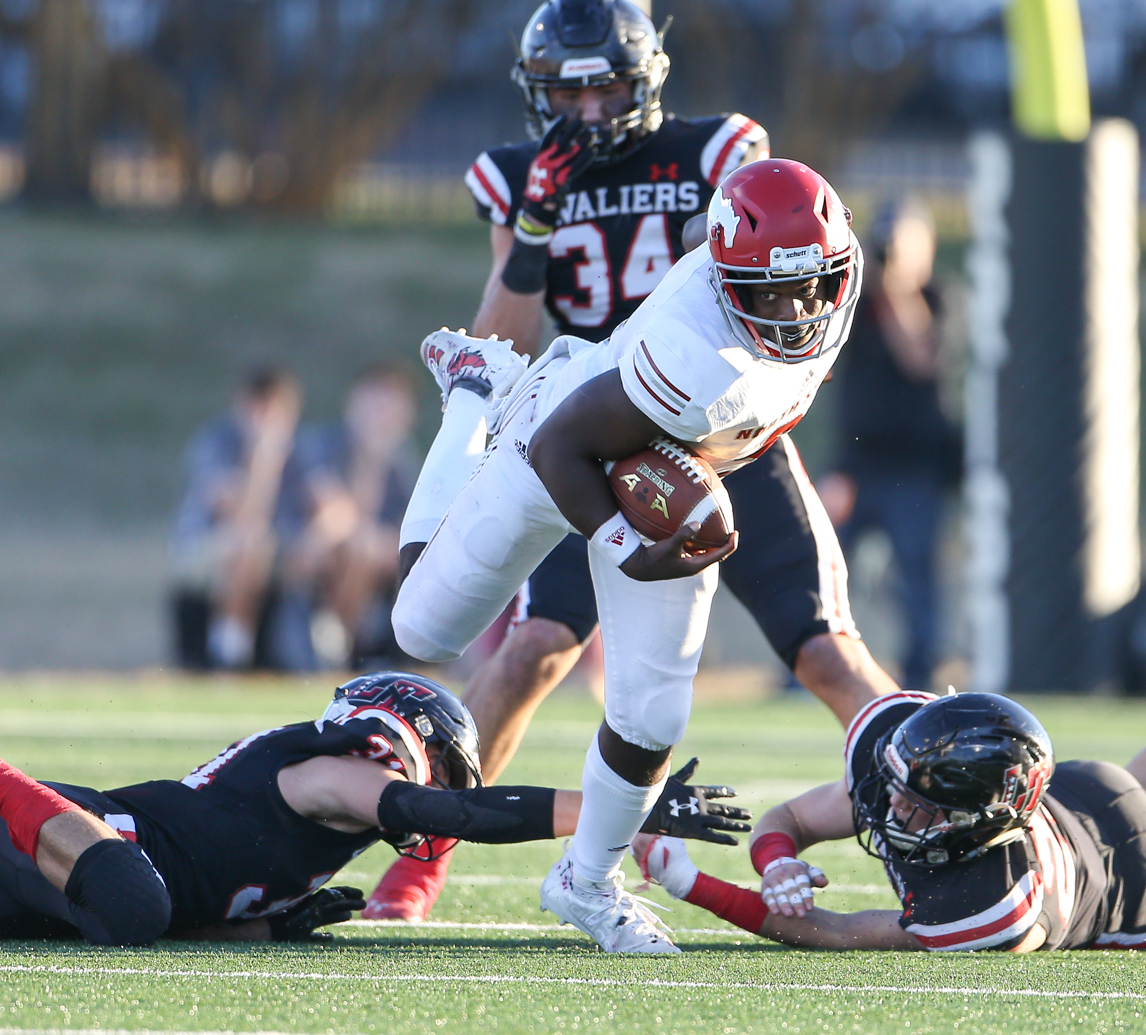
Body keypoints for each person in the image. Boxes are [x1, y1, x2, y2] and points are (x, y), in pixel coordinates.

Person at [366, 0, 901, 925]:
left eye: (605, 85)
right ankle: (421, 866)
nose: (585, 113)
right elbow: (506, 340)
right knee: (533, 647)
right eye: (565, 94)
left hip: (722, 438)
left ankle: (933, 801)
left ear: (646, 76)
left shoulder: (717, 154)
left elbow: (777, 280)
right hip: (587, 426)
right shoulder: (516, 178)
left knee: (825, 648)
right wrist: (534, 229)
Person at [0, 672, 747, 946]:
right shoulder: (339, 767)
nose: (447, 794)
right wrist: (625, 805)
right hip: (73, 837)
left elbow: (178, 911)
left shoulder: (341, 819)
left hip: (53, 886)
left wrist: (262, 928)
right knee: (134, 902)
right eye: (449, 772)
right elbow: (461, 815)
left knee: (138, 913)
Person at [634, 690, 1146, 952]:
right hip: (1088, 789)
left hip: (1145, 885)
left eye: (919, 805)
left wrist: (688, 882)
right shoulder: (901, 768)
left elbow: (837, 932)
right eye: (894, 785)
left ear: (979, 819)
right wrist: (776, 860)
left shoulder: (996, 905)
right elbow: (794, 816)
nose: (891, 808)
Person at [818, 199, 961, 689]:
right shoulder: (859, 304)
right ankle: (809, 669)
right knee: (823, 570)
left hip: (916, 468)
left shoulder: (939, 300)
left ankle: (921, 674)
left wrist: (898, 289)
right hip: (859, 466)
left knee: (916, 581)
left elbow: (921, 359)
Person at [170, 365, 309, 670]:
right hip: (210, 550)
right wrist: (262, 456)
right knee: (250, 543)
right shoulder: (218, 442)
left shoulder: (301, 450)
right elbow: (241, 513)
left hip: (279, 550)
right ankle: (230, 652)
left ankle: (329, 651)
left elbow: (328, 502)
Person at [290, 366, 422, 668]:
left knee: (365, 547)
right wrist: (370, 462)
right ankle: (339, 643)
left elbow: (410, 527)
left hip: (365, 553)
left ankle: (340, 640)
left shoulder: (403, 459)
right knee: (353, 542)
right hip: (311, 544)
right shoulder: (322, 444)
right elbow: (329, 508)